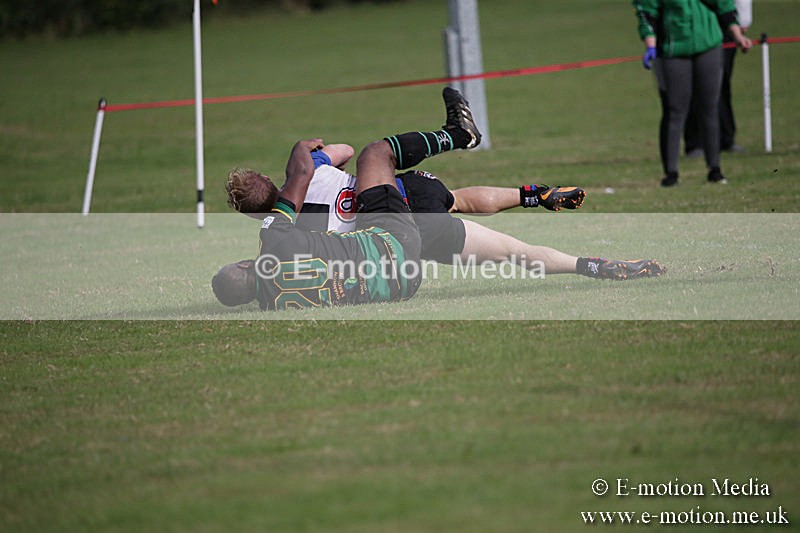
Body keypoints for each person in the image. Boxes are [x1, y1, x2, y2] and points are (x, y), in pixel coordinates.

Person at [212, 88, 664, 311]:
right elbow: (329, 159)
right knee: (421, 178)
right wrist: (306, 154)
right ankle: (468, 144)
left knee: (509, 252)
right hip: (397, 210)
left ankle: (591, 265)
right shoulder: (291, 213)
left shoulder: (281, 273)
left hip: (400, 267)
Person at [635, 0, 752, 187]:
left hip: (709, 43)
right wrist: (650, 45)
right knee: (675, 110)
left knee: (710, 107)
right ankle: (671, 173)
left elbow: (725, 6)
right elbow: (647, 13)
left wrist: (737, 35)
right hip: (674, 48)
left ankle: (715, 169)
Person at [684, 0, 753, 156]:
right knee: (694, 83)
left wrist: (743, 18)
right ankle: (695, 142)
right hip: (690, 22)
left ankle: (726, 138)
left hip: (725, 22)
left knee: (722, 82)